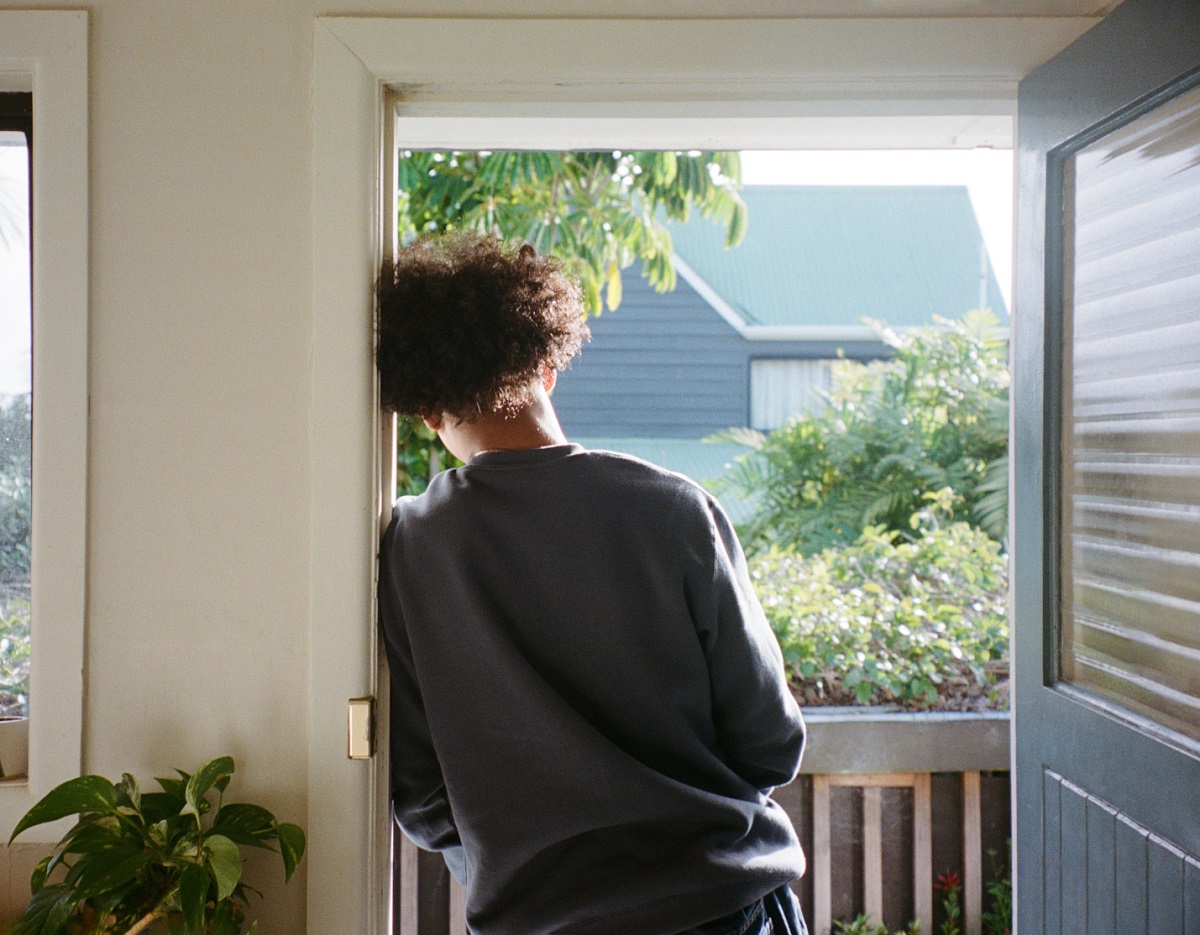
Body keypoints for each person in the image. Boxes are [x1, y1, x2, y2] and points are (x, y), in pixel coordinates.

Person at [376, 232, 808, 935]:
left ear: (427, 408)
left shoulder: (411, 549)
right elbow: (770, 743)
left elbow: (421, 791)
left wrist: (522, 861)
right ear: (547, 365)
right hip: (717, 904)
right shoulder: (674, 508)